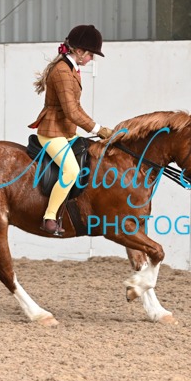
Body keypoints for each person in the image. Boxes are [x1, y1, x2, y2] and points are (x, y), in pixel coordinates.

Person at [29, 25, 113, 236]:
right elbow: (71, 112)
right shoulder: (62, 72)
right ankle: (49, 217)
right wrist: (98, 129)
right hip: (52, 132)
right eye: (91, 54)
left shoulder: (71, 69)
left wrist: (98, 128)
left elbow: (76, 107)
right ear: (79, 51)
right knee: (71, 171)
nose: (91, 59)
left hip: (66, 131)